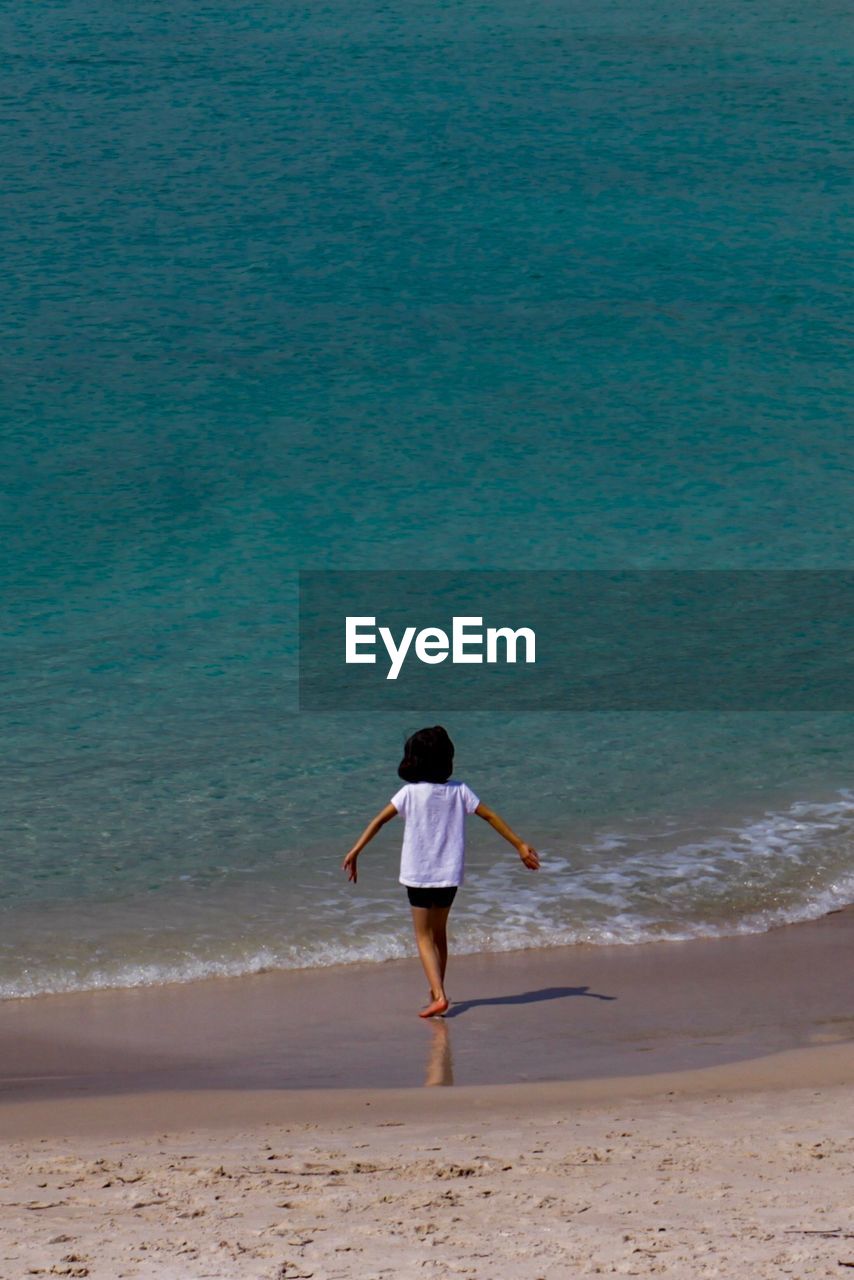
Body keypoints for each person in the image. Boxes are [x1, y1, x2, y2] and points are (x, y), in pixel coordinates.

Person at [342, 725, 540, 1018]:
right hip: (449, 874)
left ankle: (440, 995)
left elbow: (379, 821)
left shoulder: (409, 792)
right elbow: (490, 816)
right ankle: (437, 991)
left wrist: (356, 850)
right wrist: (520, 844)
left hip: (418, 874)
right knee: (439, 934)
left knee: (422, 936)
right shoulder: (460, 790)